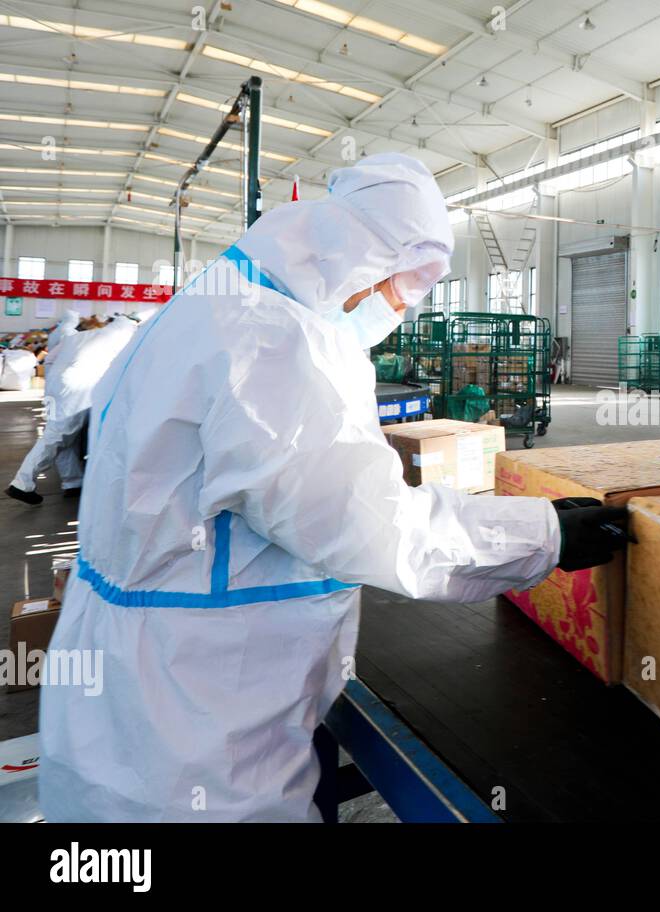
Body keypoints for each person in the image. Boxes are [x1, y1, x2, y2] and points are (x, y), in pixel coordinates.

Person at [39, 153, 626, 822]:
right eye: (396, 285)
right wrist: (542, 534)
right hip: (195, 721)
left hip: (145, 688)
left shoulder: (217, 307)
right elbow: (370, 525)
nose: (395, 308)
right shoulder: (264, 341)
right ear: (355, 256)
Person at [7, 316, 138, 505]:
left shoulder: (84, 335)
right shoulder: (124, 340)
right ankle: (22, 482)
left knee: (67, 437)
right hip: (77, 387)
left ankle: (72, 483)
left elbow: (50, 358)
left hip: (55, 384)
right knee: (57, 436)